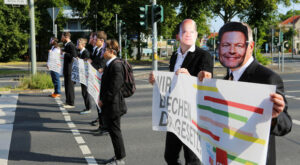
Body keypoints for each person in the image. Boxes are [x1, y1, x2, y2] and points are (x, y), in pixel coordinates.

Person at [198, 22, 292, 165]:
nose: (231, 51)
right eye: (226, 45)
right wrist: (192, 83)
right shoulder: (227, 78)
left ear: (251, 46)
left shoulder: (267, 78)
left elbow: (285, 125)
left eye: (239, 45)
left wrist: (275, 116)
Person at [149, 19, 213, 165]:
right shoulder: (174, 56)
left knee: (192, 160)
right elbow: (172, 82)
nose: (188, 34)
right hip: (175, 114)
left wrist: (190, 78)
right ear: (178, 36)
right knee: (169, 156)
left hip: (192, 117)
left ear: (196, 35)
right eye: (184, 31)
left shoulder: (204, 56)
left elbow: (207, 83)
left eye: (191, 31)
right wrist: (158, 81)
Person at [98, 39, 127, 165]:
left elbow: (114, 87)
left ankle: (120, 159)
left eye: (105, 49)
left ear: (110, 51)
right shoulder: (110, 64)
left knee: (115, 131)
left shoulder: (116, 65)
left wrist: (103, 100)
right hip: (111, 104)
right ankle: (118, 156)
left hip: (114, 105)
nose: (103, 51)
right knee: (113, 130)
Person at [61, 32, 77, 109]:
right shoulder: (66, 45)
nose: (61, 38)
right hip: (66, 69)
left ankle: (71, 102)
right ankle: (67, 101)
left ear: (66, 36)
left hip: (70, 69)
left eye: (62, 36)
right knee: (67, 86)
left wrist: (64, 54)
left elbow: (74, 56)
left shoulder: (71, 45)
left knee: (70, 86)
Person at [76, 38, 93, 114]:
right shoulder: (81, 52)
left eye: (78, 44)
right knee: (84, 92)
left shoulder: (85, 52)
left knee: (85, 92)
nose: (77, 45)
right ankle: (87, 107)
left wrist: (78, 59)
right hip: (82, 74)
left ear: (83, 45)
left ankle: (88, 108)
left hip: (86, 75)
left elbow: (86, 63)